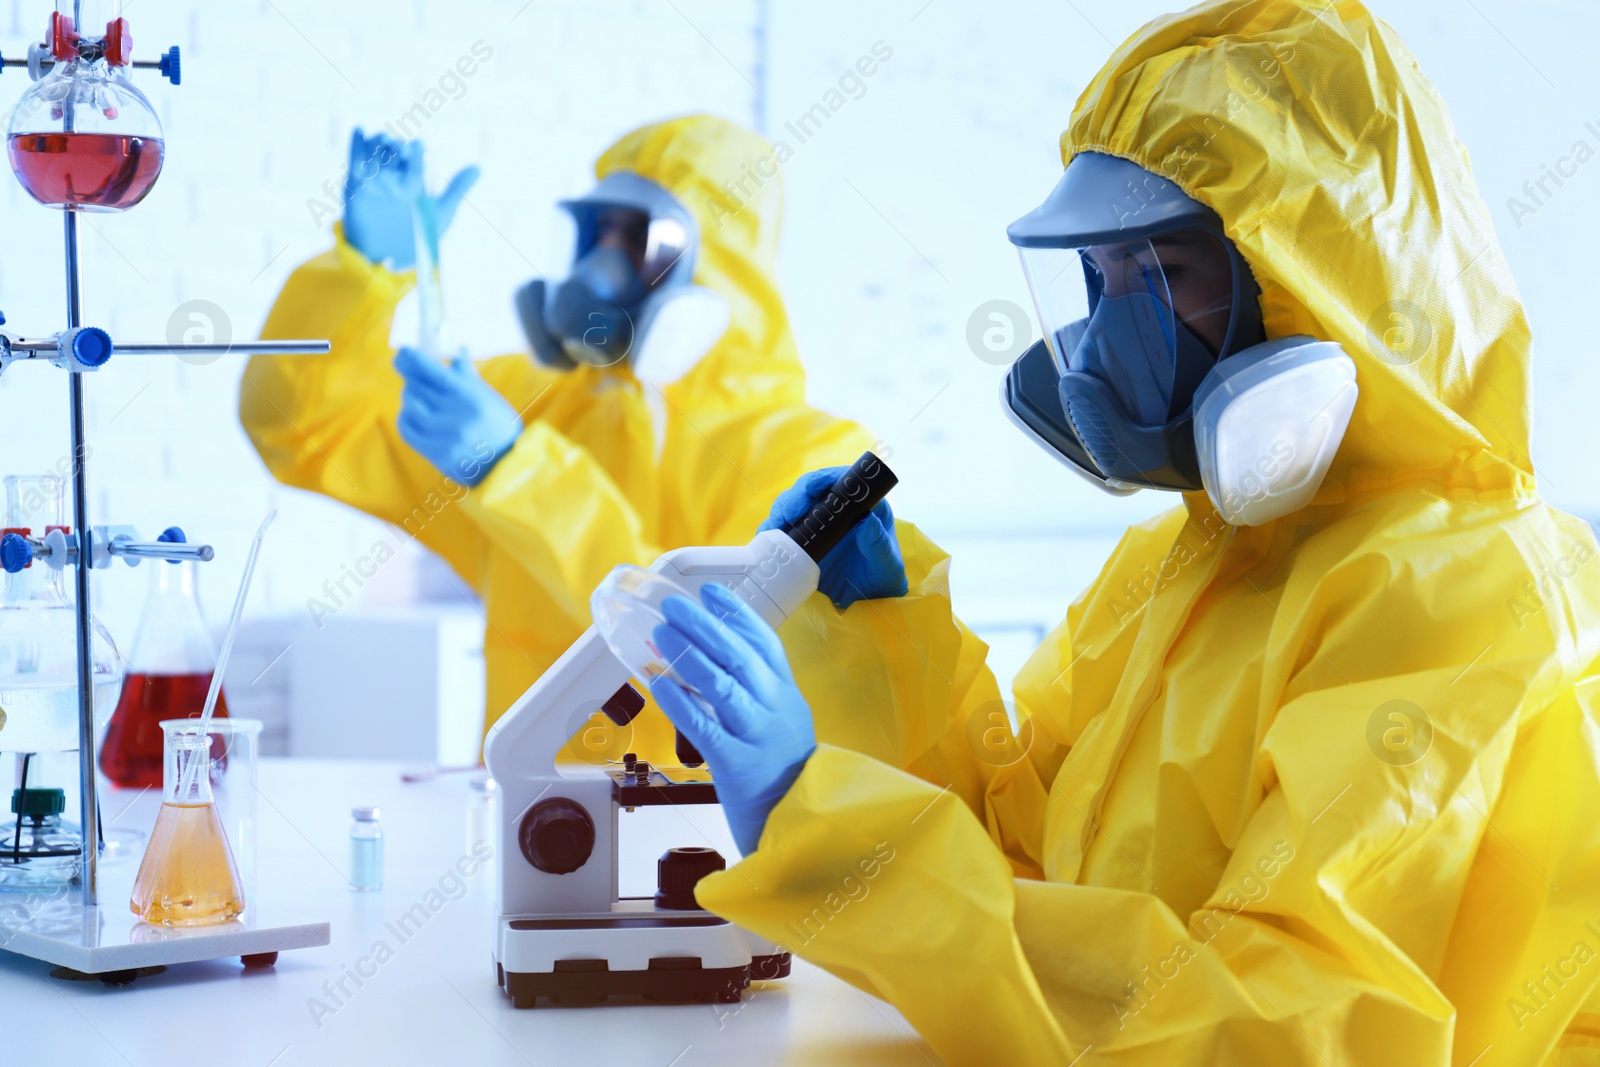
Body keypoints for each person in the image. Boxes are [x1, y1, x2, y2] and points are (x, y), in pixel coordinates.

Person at [643, 2, 1600, 1063]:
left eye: (1165, 273)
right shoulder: (1183, 558)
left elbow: (1278, 1023)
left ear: (1307, 286)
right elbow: (1024, 865)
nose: (1107, 331)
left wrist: (823, 822)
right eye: (1101, 278)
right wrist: (878, 641)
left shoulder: (1458, 590)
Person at [239, 115, 875, 760]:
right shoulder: (530, 405)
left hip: (704, 834)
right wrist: (360, 277)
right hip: (527, 825)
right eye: (598, 231)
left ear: (716, 267)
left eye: (636, 238)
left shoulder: (811, 458)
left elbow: (706, 636)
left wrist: (516, 473)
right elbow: (300, 428)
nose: (602, 263)